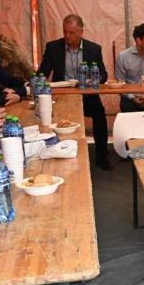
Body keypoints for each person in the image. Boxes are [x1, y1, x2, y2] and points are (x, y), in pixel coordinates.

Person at [38, 14, 112, 170]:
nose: (67, 36)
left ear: (81, 32)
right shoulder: (53, 47)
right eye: (65, 31)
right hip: (62, 95)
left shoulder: (93, 49)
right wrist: (38, 82)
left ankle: (102, 157)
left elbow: (103, 75)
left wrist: (93, 80)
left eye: (71, 32)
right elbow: (42, 73)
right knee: (51, 118)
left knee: (99, 115)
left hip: (86, 94)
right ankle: (57, 153)